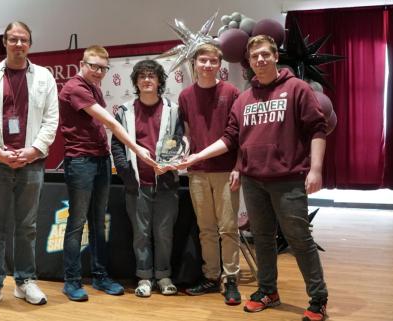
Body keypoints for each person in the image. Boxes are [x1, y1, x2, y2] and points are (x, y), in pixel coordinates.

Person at [178, 35, 329, 321]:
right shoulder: (245, 98)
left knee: (299, 239)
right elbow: (229, 138)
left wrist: (316, 169)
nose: (259, 60)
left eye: (264, 54)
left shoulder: (296, 88)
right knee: (262, 239)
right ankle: (268, 291)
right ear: (247, 61)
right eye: (254, 56)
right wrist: (197, 157)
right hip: (253, 180)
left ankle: (318, 297)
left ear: (275, 56)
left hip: (288, 179)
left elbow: (318, 128)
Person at [0, 21, 59, 312]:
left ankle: (24, 281)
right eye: (13, 39)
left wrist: (33, 151)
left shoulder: (44, 77)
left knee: (27, 226)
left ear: (30, 44)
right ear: (4, 42)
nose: (18, 44)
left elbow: (51, 120)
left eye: (23, 40)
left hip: (31, 163)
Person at [59, 46, 157, 302]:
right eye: (94, 66)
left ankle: (100, 275)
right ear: (82, 63)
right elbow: (111, 123)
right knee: (76, 223)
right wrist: (137, 148)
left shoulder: (94, 87)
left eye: (103, 67)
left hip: (100, 160)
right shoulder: (75, 87)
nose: (99, 72)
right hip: (80, 162)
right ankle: (71, 281)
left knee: (97, 223)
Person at [111, 60, 182, 297]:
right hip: (137, 185)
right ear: (136, 82)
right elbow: (117, 146)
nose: (147, 80)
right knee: (141, 234)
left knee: (164, 233)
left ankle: (163, 275)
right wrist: (127, 175)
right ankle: (143, 277)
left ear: (160, 81)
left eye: (152, 76)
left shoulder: (173, 109)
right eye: (142, 76)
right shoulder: (124, 111)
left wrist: (171, 165)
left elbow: (179, 140)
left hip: (166, 184)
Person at [178, 43, 242, 305]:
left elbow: (237, 137)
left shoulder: (232, 92)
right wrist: (181, 151)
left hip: (226, 171)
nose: (206, 65)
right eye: (202, 60)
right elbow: (187, 132)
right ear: (194, 63)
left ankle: (231, 280)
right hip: (197, 173)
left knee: (228, 228)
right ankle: (211, 276)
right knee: (206, 229)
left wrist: (238, 166)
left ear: (219, 65)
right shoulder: (185, 96)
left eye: (212, 61)